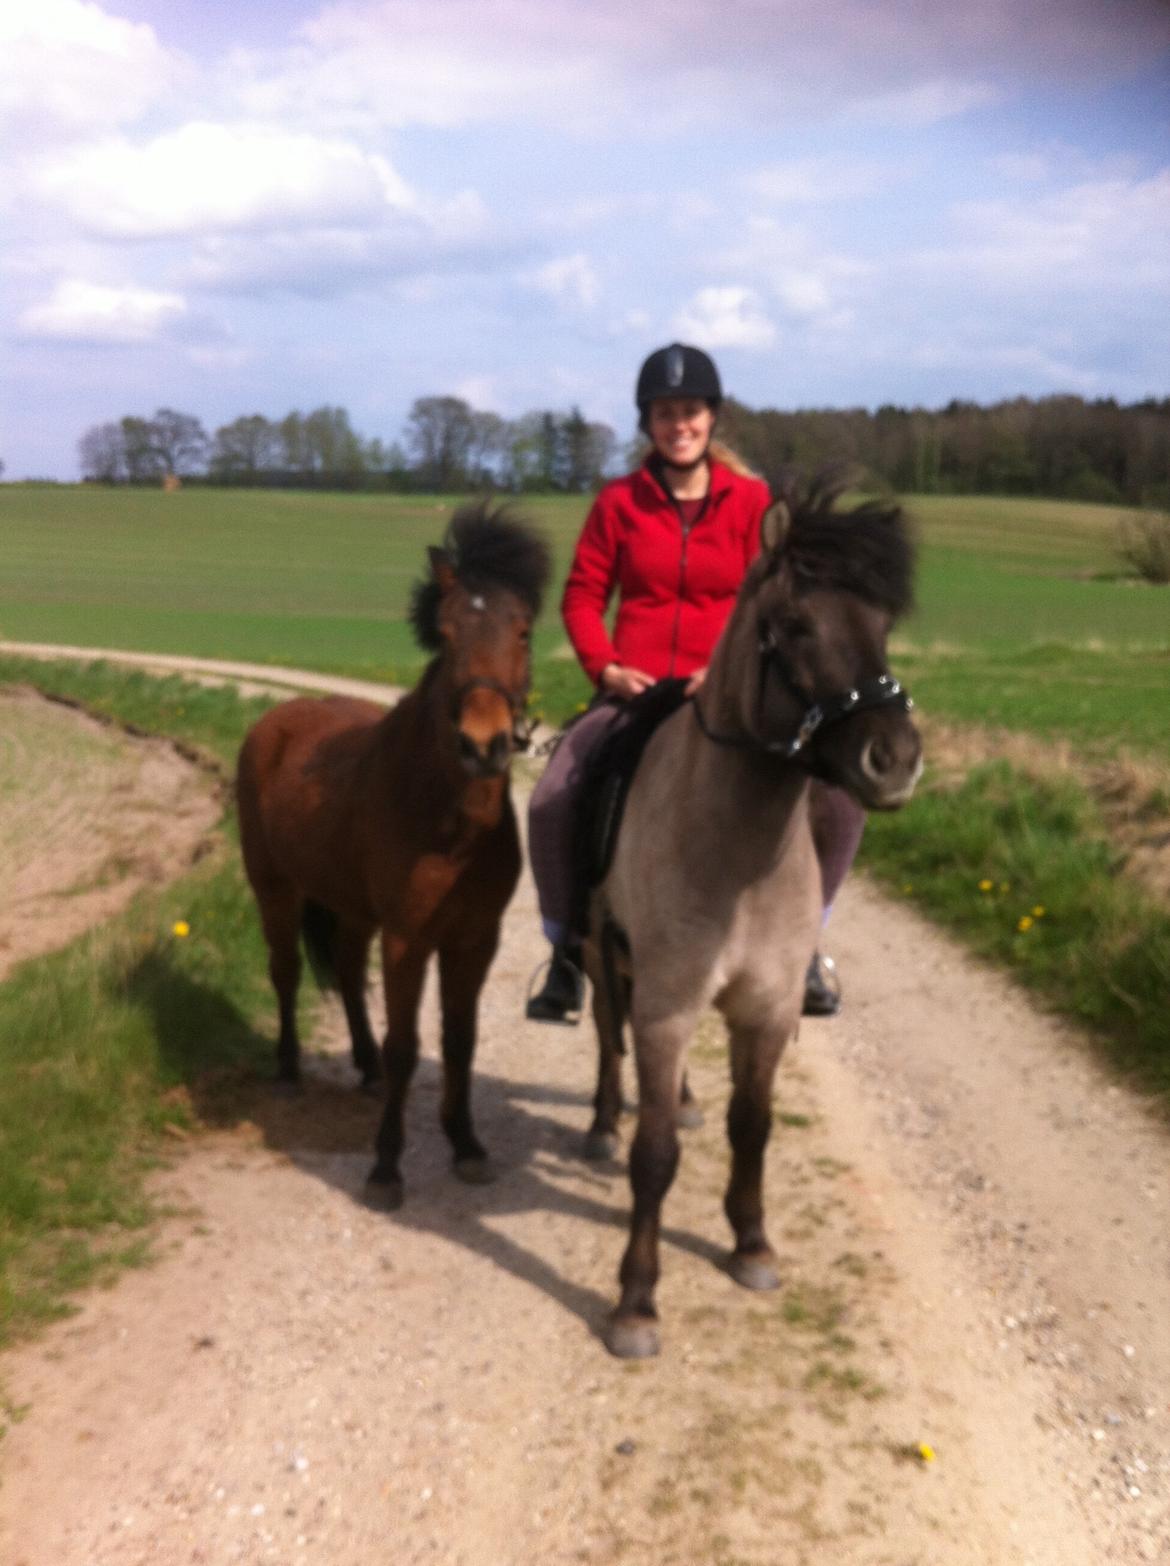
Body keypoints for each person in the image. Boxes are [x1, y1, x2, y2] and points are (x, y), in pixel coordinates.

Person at [525, 343, 858, 1023]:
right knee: (554, 795)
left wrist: (727, 671)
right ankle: (565, 955)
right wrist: (607, 668)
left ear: (713, 418)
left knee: (841, 801)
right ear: (648, 422)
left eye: (692, 411)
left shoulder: (753, 503)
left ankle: (808, 947)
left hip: (733, 697)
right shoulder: (618, 503)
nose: (680, 424)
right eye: (666, 412)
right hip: (636, 695)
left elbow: (773, 603)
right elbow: (583, 597)